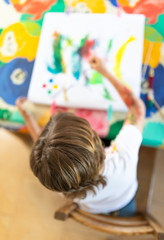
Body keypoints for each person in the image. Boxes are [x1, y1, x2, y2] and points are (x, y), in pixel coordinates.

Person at [16, 56, 145, 216]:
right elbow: (136, 107)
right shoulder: (124, 157)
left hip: (91, 207)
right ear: (97, 141)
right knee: (127, 207)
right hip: (125, 199)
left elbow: (46, 154)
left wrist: (28, 118)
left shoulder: (62, 181)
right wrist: (105, 72)